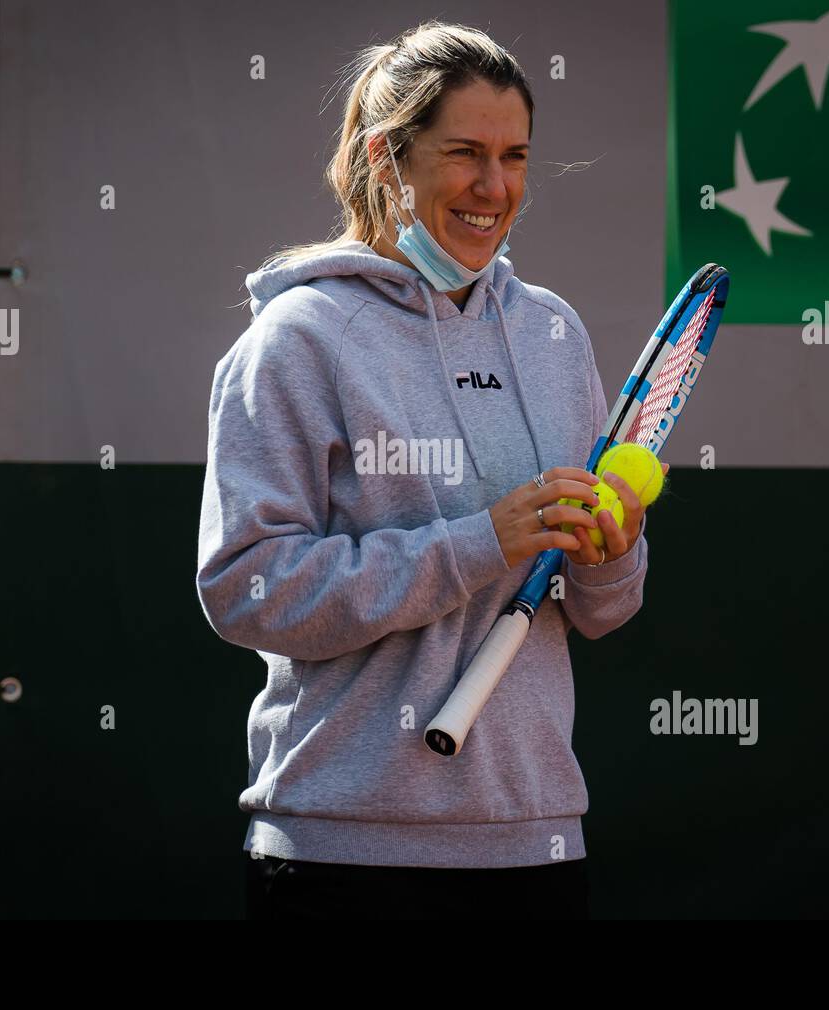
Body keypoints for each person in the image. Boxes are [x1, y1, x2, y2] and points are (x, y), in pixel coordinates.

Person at [196, 20, 663, 920]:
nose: (495, 187)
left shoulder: (554, 335)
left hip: (537, 839)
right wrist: (480, 543)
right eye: (464, 154)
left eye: (516, 156)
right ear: (388, 157)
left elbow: (601, 613)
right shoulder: (296, 342)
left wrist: (610, 553)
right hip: (343, 851)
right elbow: (246, 589)